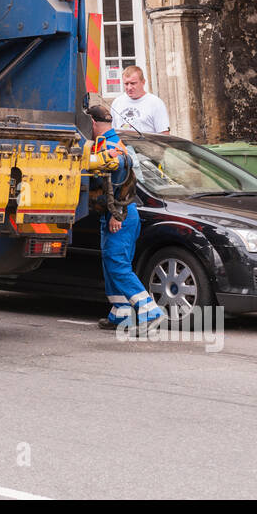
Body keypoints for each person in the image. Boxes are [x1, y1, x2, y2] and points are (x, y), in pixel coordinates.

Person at [87, 103, 163, 332]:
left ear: (92, 123)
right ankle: (120, 314)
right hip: (122, 215)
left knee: (118, 267)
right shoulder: (114, 142)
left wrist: (116, 214)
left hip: (119, 215)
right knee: (113, 265)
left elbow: (120, 182)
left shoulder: (111, 148)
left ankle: (150, 311)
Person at [111, 65, 170, 135]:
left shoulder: (156, 103)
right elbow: (112, 131)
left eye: (133, 83)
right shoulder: (117, 102)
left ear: (143, 82)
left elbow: (164, 135)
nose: (129, 87)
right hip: (121, 145)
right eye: (126, 84)